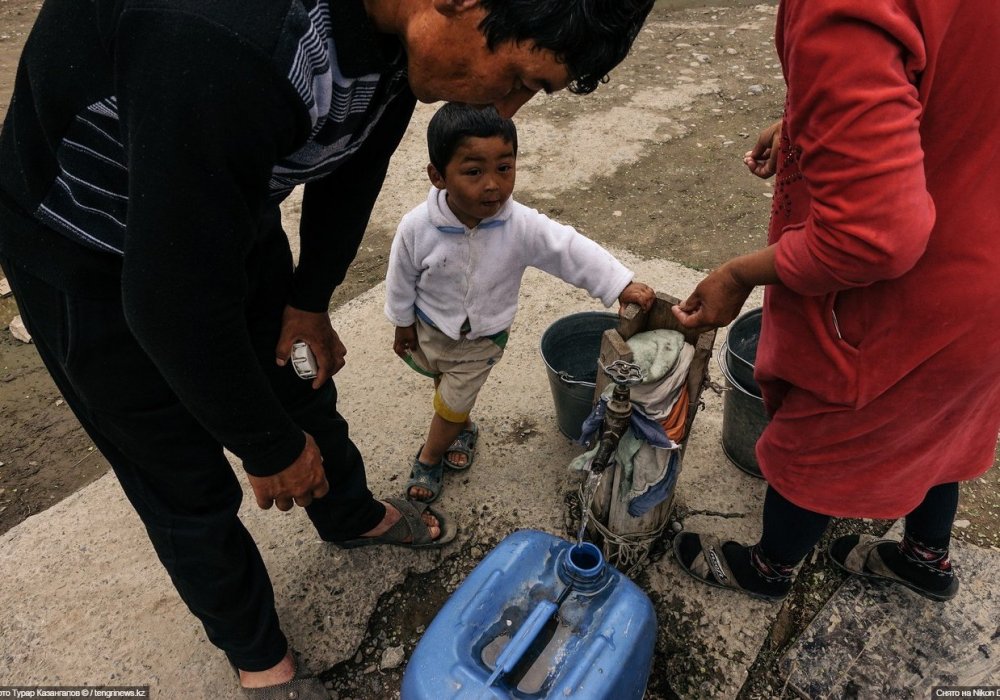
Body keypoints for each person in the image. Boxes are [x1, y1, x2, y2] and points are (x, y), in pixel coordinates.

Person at [0, 0, 655, 696]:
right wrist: (267, 446)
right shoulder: (221, 37)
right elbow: (168, 301)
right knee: (177, 473)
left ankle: (349, 514)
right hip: (86, 242)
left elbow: (356, 158)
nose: (508, 107)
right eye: (516, 75)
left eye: (533, 91)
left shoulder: (407, 37)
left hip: (224, 206)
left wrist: (310, 298)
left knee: (301, 377)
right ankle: (261, 661)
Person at [669, 0, 1000, 604]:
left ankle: (769, 570)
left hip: (904, 308)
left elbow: (872, 238)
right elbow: (955, 84)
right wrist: (808, 121)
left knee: (813, 448)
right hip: (986, 286)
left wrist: (741, 274)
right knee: (938, 429)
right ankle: (924, 560)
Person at [384, 103, 656, 502]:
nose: (492, 185)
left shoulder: (520, 226)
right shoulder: (417, 228)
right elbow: (401, 277)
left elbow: (568, 249)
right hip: (432, 327)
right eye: (474, 172)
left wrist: (619, 284)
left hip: (483, 338)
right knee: (446, 388)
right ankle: (462, 427)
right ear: (438, 176)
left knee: (455, 396)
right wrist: (402, 321)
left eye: (504, 168)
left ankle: (429, 458)